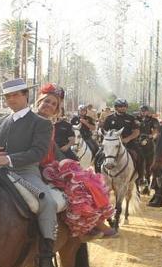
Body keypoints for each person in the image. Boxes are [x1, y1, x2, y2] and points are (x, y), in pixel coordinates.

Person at [0, 78, 56, 267]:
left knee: (47, 203)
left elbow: (38, 152)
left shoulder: (41, 123)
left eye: (16, 95)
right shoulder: (0, 121)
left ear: (26, 95)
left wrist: (8, 159)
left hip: (26, 173)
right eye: (8, 96)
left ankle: (45, 256)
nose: (11, 99)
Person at [36, 84, 116, 238]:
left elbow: (54, 146)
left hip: (68, 149)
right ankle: (87, 225)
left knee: (89, 163)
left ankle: (92, 223)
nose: (49, 106)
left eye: (54, 104)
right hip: (39, 165)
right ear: (39, 100)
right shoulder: (34, 119)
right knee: (75, 185)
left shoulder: (55, 123)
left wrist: (67, 162)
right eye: (46, 101)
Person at [97, 98, 141, 173]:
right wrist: (101, 133)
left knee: (140, 155)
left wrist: (127, 139)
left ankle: (141, 177)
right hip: (112, 145)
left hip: (128, 143)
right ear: (116, 107)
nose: (123, 108)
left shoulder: (131, 118)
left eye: (124, 106)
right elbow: (103, 130)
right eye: (120, 106)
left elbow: (136, 132)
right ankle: (98, 175)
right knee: (98, 156)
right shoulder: (109, 118)